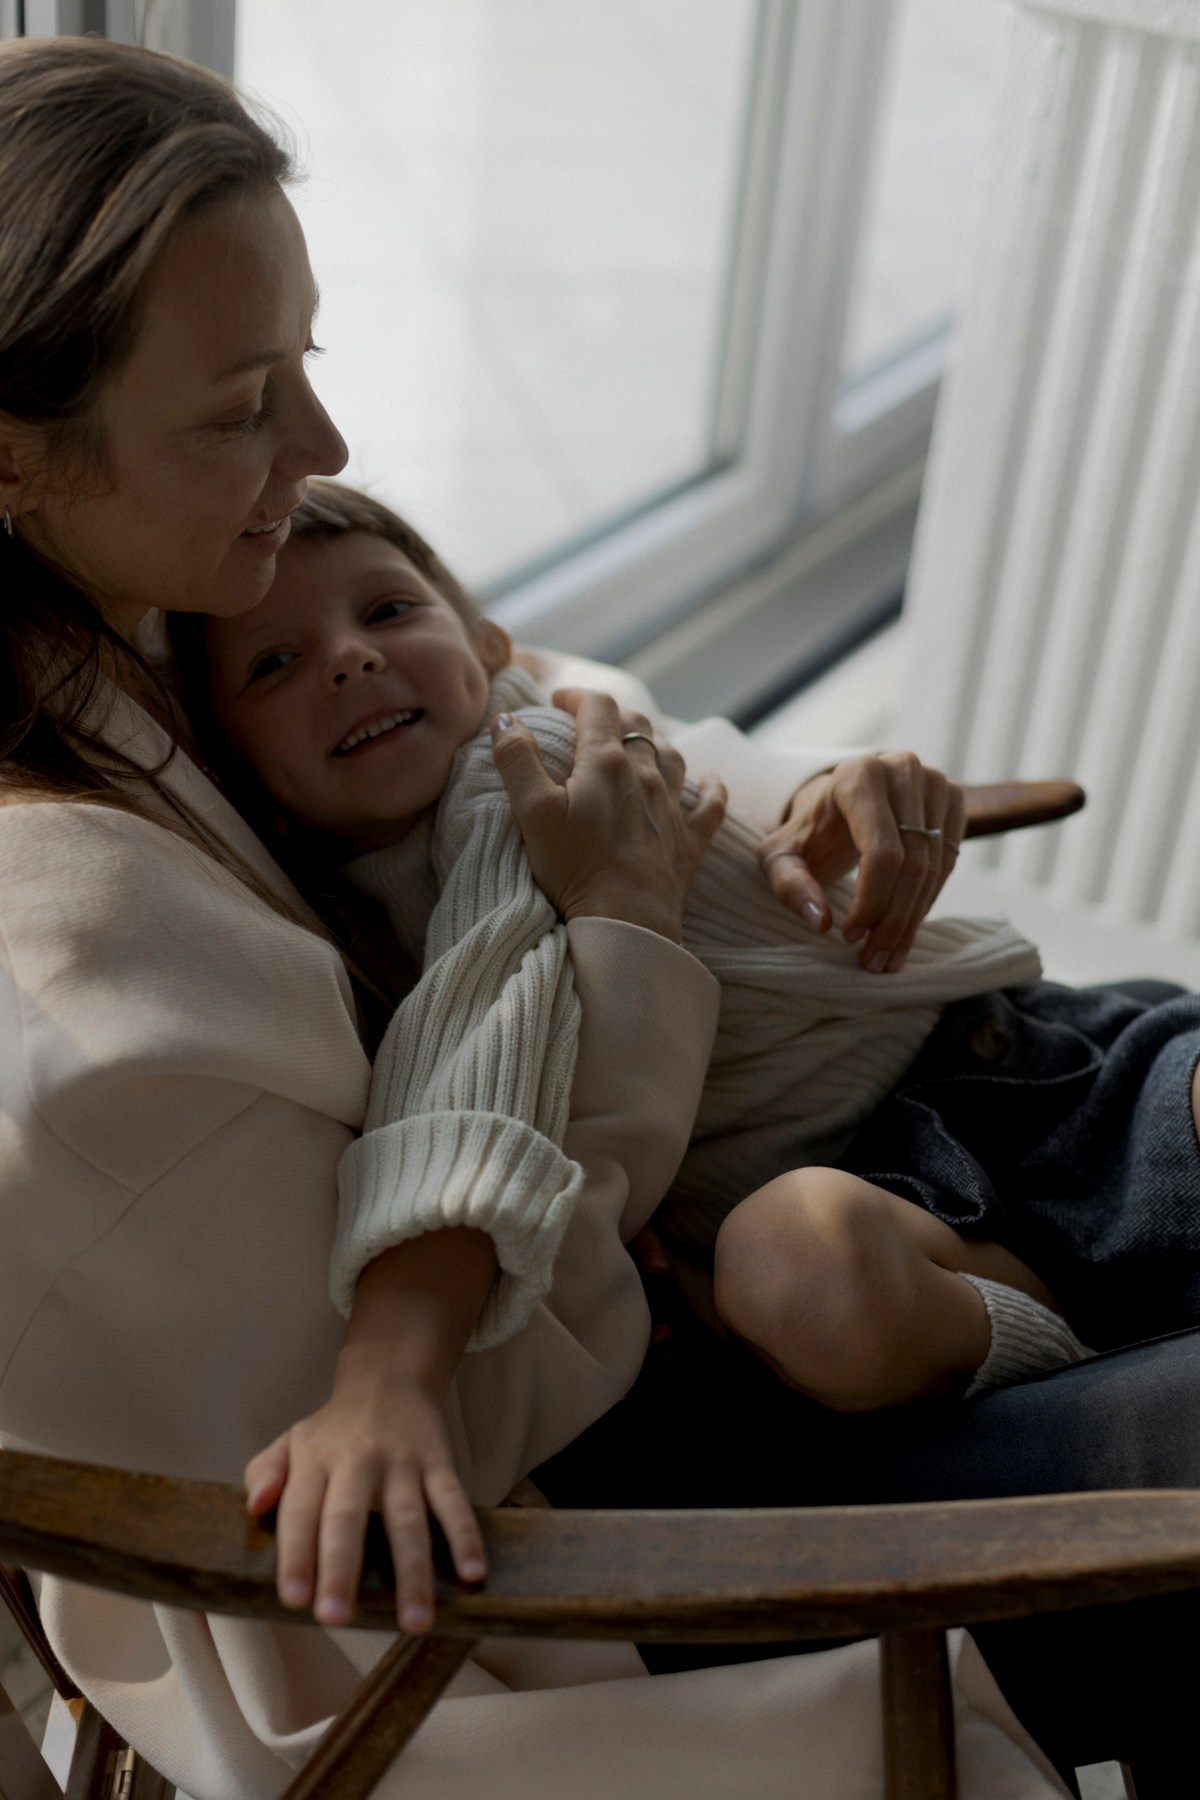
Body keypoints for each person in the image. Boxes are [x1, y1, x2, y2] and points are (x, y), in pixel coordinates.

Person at [0, 33, 1192, 1800]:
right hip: (620, 1522)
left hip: (889, 1133)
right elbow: (427, 1424)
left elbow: (540, 697)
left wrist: (801, 800)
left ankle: (1029, 1289)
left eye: (302, 367)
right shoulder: (85, 970)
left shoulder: (161, 618)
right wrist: (624, 933)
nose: (323, 445)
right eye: (242, 405)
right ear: (19, 456)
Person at [176, 477, 1097, 1462]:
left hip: (1004, 1078)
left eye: (390, 610)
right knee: (796, 1273)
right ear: (240, 784)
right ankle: (1108, 1367)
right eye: (274, 663)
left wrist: (387, 1373)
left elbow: (481, 1032)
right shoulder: (344, 918)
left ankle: (1110, 1374)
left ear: (491, 648)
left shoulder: (525, 775)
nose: (350, 657)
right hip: (868, 1211)